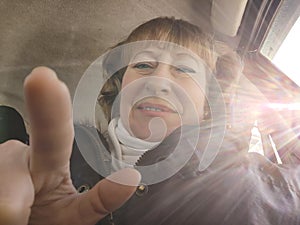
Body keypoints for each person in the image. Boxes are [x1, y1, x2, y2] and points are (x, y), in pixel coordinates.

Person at [1, 16, 300, 225]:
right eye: (143, 65)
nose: (158, 82)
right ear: (120, 88)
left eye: (183, 70)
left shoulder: (245, 178)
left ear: (209, 104)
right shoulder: (59, 157)